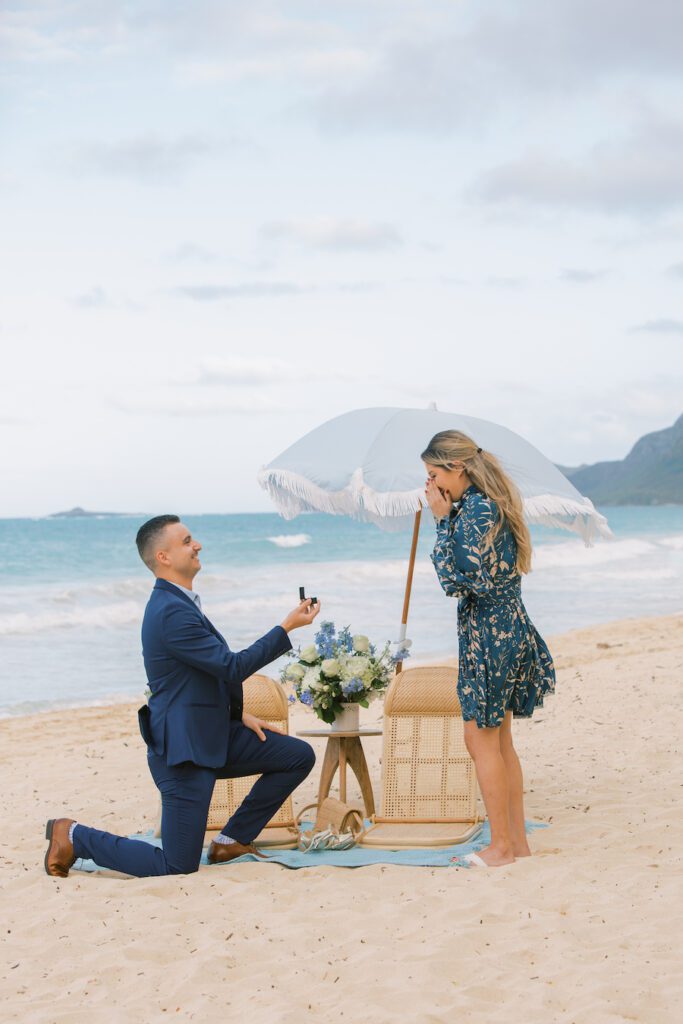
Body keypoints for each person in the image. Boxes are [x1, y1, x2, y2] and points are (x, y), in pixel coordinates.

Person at [44, 514, 319, 878]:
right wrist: (286, 627)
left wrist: (237, 717)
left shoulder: (181, 602)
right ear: (164, 557)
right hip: (184, 753)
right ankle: (75, 835)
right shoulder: (170, 611)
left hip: (212, 734)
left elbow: (201, 676)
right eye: (187, 540)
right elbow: (230, 666)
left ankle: (232, 839)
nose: (197, 545)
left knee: (296, 755)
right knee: (176, 865)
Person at [422, 431, 555, 867]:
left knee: (480, 740)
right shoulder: (487, 505)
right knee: (499, 741)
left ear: (456, 468)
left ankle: (501, 846)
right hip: (506, 627)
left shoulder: (475, 510)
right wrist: (448, 517)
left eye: (434, 474)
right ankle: (515, 844)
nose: (431, 485)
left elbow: (457, 582)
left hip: (490, 634)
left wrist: (442, 523)